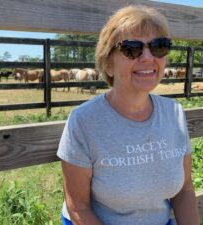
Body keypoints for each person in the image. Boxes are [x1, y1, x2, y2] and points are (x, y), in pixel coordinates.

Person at [57, 5, 200, 225]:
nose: (147, 57)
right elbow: (78, 206)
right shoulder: (85, 121)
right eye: (131, 49)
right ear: (108, 64)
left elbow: (184, 190)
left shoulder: (174, 113)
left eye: (159, 47)